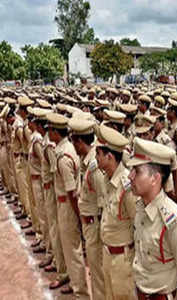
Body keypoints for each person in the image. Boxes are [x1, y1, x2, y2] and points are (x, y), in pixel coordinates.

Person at [128, 137, 177, 300]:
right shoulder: (141, 208)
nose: (130, 176)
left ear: (155, 178)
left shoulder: (173, 222)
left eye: (137, 171)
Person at [46, 112, 89, 299]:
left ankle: (79, 290)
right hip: (65, 204)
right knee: (69, 247)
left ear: (57, 132)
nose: (48, 133)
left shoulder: (64, 156)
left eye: (50, 130)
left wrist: (77, 215)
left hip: (68, 206)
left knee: (72, 250)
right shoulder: (67, 148)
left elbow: (71, 192)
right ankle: (73, 281)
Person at [95, 124, 137, 300]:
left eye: (98, 154)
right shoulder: (106, 179)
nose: (95, 158)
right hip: (108, 253)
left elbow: (138, 225)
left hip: (123, 258)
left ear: (109, 156)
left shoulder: (127, 186)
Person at [69, 117, 105, 300]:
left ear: (80, 141)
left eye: (74, 141)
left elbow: (104, 203)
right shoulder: (86, 161)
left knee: (98, 275)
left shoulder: (94, 166)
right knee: (96, 271)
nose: (72, 145)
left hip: (96, 226)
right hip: (89, 224)